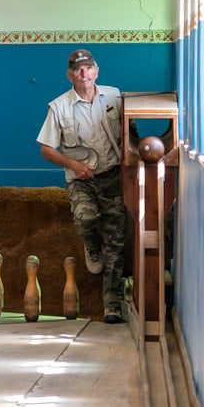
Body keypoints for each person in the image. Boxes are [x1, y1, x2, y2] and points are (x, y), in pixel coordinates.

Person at [36, 48, 131, 323]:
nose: (83, 73)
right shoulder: (59, 106)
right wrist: (74, 166)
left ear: (96, 71)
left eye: (88, 68)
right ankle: (91, 245)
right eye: (78, 70)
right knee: (86, 217)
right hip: (80, 180)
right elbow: (45, 148)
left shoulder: (115, 96)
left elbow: (130, 131)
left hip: (113, 175)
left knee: (116, 240)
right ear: (70, 75)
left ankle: (111, 304)